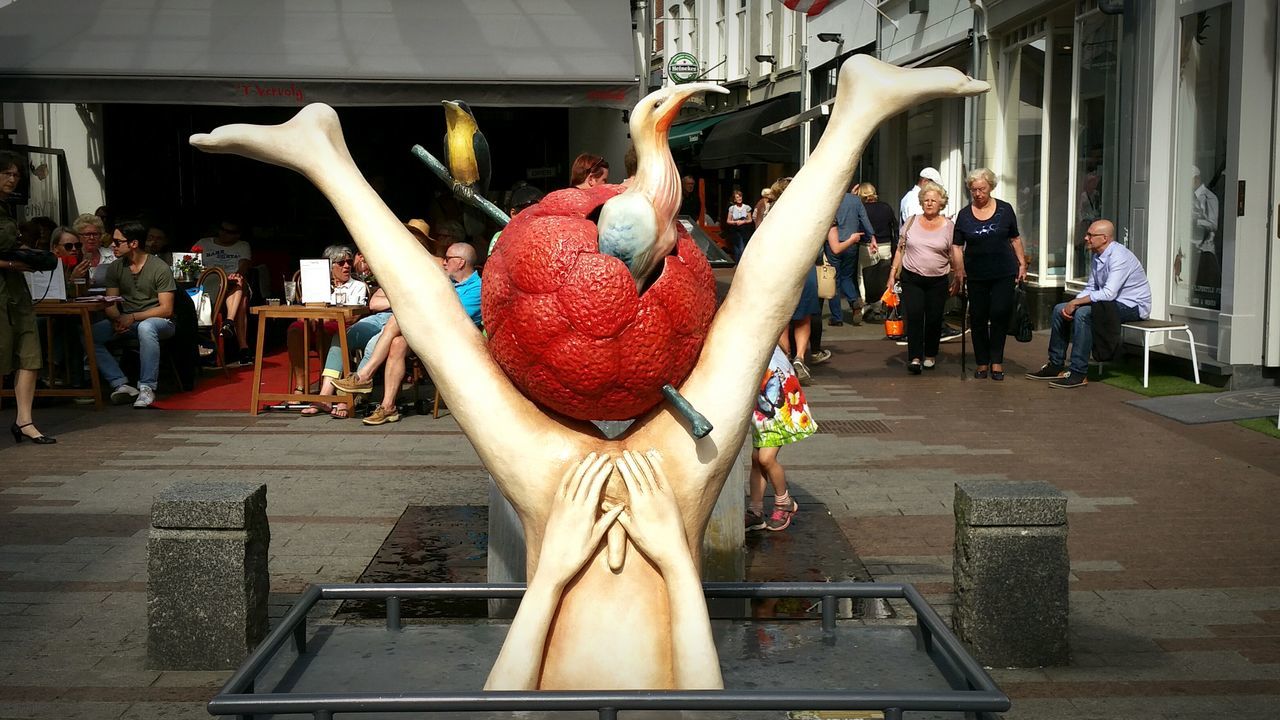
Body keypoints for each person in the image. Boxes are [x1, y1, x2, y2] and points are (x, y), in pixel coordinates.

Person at [1027, 219, 1151, 389]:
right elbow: (1092, 287)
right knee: (1059, 309)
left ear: (1105, 238)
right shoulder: (1097, 255)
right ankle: (1055, 365)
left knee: (1084, 314)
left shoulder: (1119, 257)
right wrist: (1072, 303)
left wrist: (1077, 303)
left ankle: (1078, 372)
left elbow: (1108, 293)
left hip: (1133, 306)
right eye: (1087, 234)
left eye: (1090, 235)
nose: (1086, 238)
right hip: (1108, 304)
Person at [91, 220, 177, 409]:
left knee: (147, 328)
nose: (112, 245)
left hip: (159, 321)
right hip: (127, 320)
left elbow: (166, 309)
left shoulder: (159, 267)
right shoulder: (115, 267)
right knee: (90, 334)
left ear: (133, 243)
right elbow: (111, 302)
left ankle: (147, 386)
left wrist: (132, 317)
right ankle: (120, 383)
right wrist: (116, 318)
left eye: (117, 241)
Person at [0, 150, 55, 443]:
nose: (12, 179)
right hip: (2, 287)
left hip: (15, 290)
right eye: (6, 173)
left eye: (16, 174)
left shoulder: (8, 207)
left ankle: (24, 420)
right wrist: (11, 262)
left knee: (30, 351)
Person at [954, 168, 1027, 381]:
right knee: (977, 317)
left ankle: (997, 361)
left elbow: (1014, 238)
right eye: (974, 190)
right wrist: (959, 270)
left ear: (991, 187)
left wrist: (1021, 263)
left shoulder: (1005, 210)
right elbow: (957, 246)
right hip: (976, 274)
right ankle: (981, 362)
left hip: (1003, 271)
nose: (978, 194)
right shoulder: (965, 214)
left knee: (999, 314)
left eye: (982, 189)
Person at [889, 181, 962, 374]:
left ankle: (930, 354)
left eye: (933, 201)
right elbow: (900, 249)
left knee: (933, 318)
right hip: (912, 277)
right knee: (913, 316)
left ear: (941, 204)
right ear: (921, 202)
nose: (929, 203)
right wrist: (892, 274)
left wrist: (958, 275)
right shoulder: (911, 221)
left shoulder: (948, 226)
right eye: (926, 200)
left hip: (938, 279)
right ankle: (914, 357)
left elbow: (954, 253)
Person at [286, 244, 368, 415]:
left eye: (349, 262)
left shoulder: (357, 286)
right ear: (329, 267)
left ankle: (328, 387)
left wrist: (321, 317)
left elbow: (352, 317)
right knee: (295, 329)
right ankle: (302, 387)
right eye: (341, 263)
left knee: (326, 330)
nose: (347, 266)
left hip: (341, 328)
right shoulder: (316, 283)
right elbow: (302, 312)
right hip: (316, 325)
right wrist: (311, 317)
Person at [745, 346, 818, 532]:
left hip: (778, 400)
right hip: (760, 401)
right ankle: (755, 511)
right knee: (756, 459)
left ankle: (784, 502)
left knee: (766, 458)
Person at [199, 218, 254, 364]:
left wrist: (236, 275)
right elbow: (188, 261)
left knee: (239, 284)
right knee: (241, 299)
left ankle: (230, 323)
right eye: (222, 229)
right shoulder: (203, 243)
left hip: (231, 283)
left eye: (229, 232)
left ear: (238, 235)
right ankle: (243, 346)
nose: (224, 234)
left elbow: (243, 267)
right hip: (207, 282)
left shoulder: (242, 246)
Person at [826, 182, 877, 326]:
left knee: (833, 280)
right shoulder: (855, 200)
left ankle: (837, 317)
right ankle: (854, 299)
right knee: (847, 276)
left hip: (833, 242)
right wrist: (872, 237)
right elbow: (864, 219)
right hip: (852, 243)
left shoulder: (831, 199)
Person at [857, 182, 897, 307]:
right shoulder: (886, 207)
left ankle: (864, 303)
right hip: (885, 244)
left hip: (866, 245)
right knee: (884, 275)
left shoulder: (861, 209)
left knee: (862, 275)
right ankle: (880, 305)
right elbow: (894, 227)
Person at [1189, 165, 1220, 307]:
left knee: (1203, 290)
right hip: (1191, 251)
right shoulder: (1188, 197)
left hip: (1204, 252)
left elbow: (1213, 224)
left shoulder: (1210, 198)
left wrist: (1196, 220)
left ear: (1196, 179)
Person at [69, 213, 115, 287]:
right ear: (78, 236)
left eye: (95, 234)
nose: (91, 238)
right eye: (87, 234)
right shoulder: (73, 256)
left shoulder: (112, 256)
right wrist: (74, 278)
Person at [724, 189, 754, 260]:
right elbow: (728, 220)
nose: (739, 198)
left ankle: (741, 262)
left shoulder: (747, 207)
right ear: (734, 199)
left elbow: (750, 220)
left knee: (742, 246)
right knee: (736, 247)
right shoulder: (732, 208)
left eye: (740, 197)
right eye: (737, 197)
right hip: (735, 229)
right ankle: (737, 263)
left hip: (744, 229)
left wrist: (744, 222)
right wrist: (735, 222)